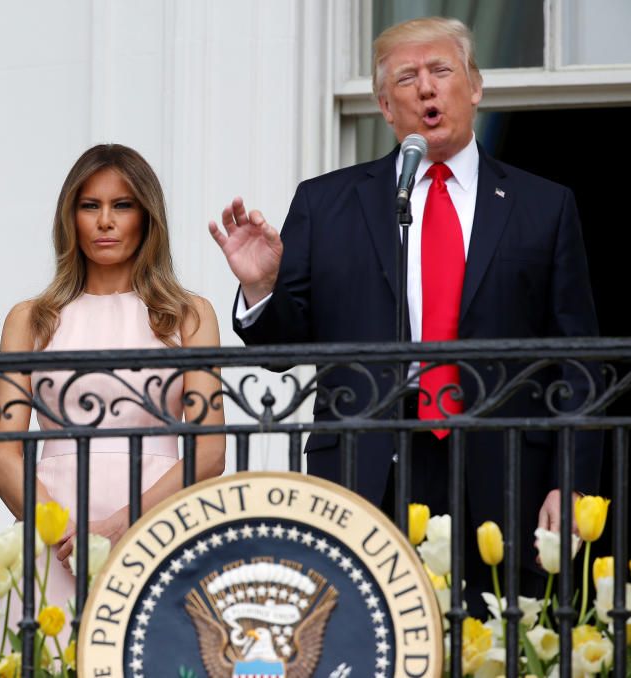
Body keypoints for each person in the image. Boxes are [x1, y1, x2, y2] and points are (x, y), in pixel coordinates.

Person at [209, 17, 600, 604]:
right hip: (366, 472)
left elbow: (579, 360)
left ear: (475, 86)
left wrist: (570, 482)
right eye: (406, 78)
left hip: (503, 470)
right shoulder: (327, 202)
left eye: (441, 71)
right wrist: (263, 286)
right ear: (385, 107)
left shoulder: (543, 206)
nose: (426, 88)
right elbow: (281, 352)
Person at [0, 144, 226, 614]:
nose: (105, 221)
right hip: (51, 534)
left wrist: (124, 524)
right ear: (69, 217)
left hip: (160, 525)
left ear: (147, 216)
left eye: (122, 205)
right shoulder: (31, 318)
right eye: (89, 205)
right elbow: (1, 454)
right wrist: (61, 532)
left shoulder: (189, 314)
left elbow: (210, 448)